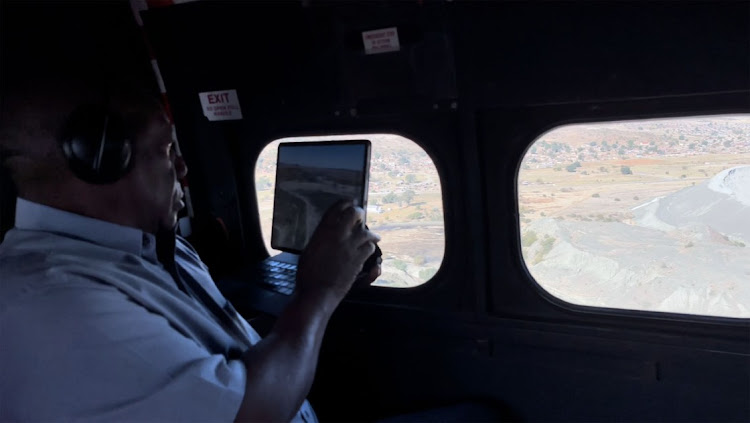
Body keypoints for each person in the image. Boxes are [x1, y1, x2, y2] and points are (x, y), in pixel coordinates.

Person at [0, 3, 380, 422]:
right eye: (165, 150)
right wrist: (319, 290)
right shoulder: (51, 302)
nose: (183, 168)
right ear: (100, 160)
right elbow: (253, 412)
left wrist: (333, 275)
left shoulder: (164, 249)